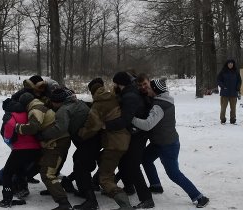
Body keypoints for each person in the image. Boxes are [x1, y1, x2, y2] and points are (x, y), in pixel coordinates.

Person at [131, 79, 210, 208]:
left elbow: (147, 125)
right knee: (145, 158)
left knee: (173, 173)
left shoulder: (159, 106)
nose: (147, 90)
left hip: (167, 145)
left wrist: (131, 118)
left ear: (156, 91)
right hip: (159, 142)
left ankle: (199, 197)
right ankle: (156, 185)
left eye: (150, 88)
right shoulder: (165, 100)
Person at [40, 87, 101, 210]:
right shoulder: (77, 102)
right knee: (79, 160)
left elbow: (59, 129)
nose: (52, 104)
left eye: (53, 102)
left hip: (89, 140)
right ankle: (83, 191)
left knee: (81, 164)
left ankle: (91, 201)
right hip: (95, 138)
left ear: (57, 101)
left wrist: (42, 135)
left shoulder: (64, 110)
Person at [78, 78, 132, 210]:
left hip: (113, 144)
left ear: (92, 92)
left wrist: (80, 133)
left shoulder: (97, 106)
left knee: (105, 178)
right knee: (105, 162)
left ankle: (125, 205)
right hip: (124, 139)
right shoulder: (113, 97)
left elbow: (92, 127)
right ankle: (112, 191)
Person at [104, 72, 155, 209]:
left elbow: (125, 120)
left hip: (138, 135)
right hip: (135, 133)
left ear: (119, 83)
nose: (114, 86)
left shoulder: (130, 96)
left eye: (115, 83)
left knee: (132, 165)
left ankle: (146, 198)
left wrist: (105, 125)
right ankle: (129, 187)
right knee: (124, 161)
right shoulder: (130, 92)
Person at [15, 92, 72, 210]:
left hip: (57, 143)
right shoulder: (40, 105)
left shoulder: (35, 110)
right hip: (58, 141)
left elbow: (32, 128)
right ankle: (56, 192)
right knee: (46, 169)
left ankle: (64, 203)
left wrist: (17, 127)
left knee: (47, 173)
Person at [0, 110, 42, 207]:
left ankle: (7, 199)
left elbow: (10, 125)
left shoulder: (12, 114)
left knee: (7, 173)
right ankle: (22, 189)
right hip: (37, 148)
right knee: (21, 169)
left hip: (21, 149)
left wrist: (7, 138)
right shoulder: (31, 112)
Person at [217, 59, 242, 124]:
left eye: (231, 63)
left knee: (233, 108)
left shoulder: (236, 72)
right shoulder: (223, 71)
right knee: (223, 107)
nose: (230, 64)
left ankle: (233, 119)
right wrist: (223, 86)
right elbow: (219, 80)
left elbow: (239, 81)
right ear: (227, 64)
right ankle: (222, 119)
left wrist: (238, 87)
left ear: (233, 64)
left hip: (234, 93)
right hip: (224, 93)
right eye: (229, 63)